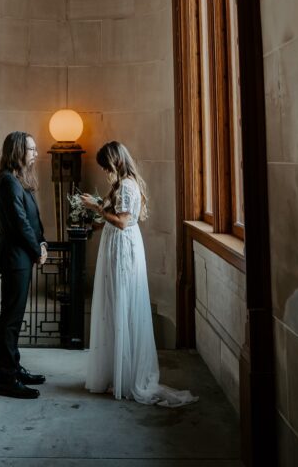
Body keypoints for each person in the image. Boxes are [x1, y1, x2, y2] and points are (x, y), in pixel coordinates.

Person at [79, 141, 197, 408]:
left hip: (123, 248)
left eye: (105, 166)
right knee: (114, 302)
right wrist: (94, 222)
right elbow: (115, 216)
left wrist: (96, 208)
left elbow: (122, 222)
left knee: (122, 302)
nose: (104, 171)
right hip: (116, 246)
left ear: (114, 161)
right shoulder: (120, 185)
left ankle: (127, 377)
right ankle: (116, 372)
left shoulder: (128, 186)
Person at [0, 131, 48, 399]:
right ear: (17, 150)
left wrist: (43, 243)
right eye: (32, 149)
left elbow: (33, 218)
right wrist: (37, 249)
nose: (36, 153)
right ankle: (7, 380)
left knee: (14, 319)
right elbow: (19, 223)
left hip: (22, 257)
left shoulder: (17, 179)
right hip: (15, 259)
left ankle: (15, 368)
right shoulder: (7, 181)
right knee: (10, 321)